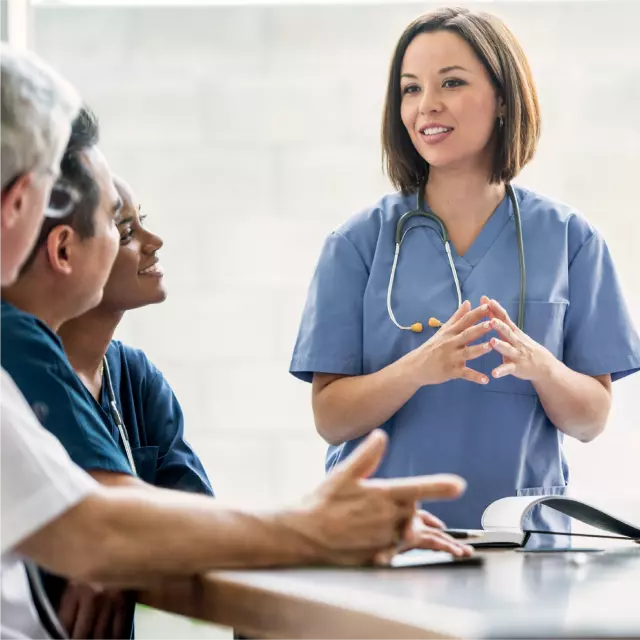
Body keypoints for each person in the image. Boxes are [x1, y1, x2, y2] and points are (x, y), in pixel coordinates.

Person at [0, 44, 472, 640]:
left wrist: (130, 540)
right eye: (118, 223)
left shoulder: (130, 376)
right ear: (23, 207)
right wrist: (322, 525)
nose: (149, 240)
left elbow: (126, 521)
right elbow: (98, 529)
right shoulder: (11, 340)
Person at [290, 6, 640, 532]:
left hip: (522, 541)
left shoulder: (570, 238)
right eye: (410, 89)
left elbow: (590, 420)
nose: (426, 106)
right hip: (385, 540)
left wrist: (540, 366)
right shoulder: (356, 243)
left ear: (503, 97)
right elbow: (331, 418)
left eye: (450, 82)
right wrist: (418, 368)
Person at [53, 176, 213, 638]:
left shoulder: (135, 376)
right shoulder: (20, 382)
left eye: (145, 223)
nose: (154, 242)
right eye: (126, 231)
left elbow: (196, 517)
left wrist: (123, 551)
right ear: (61, 253)